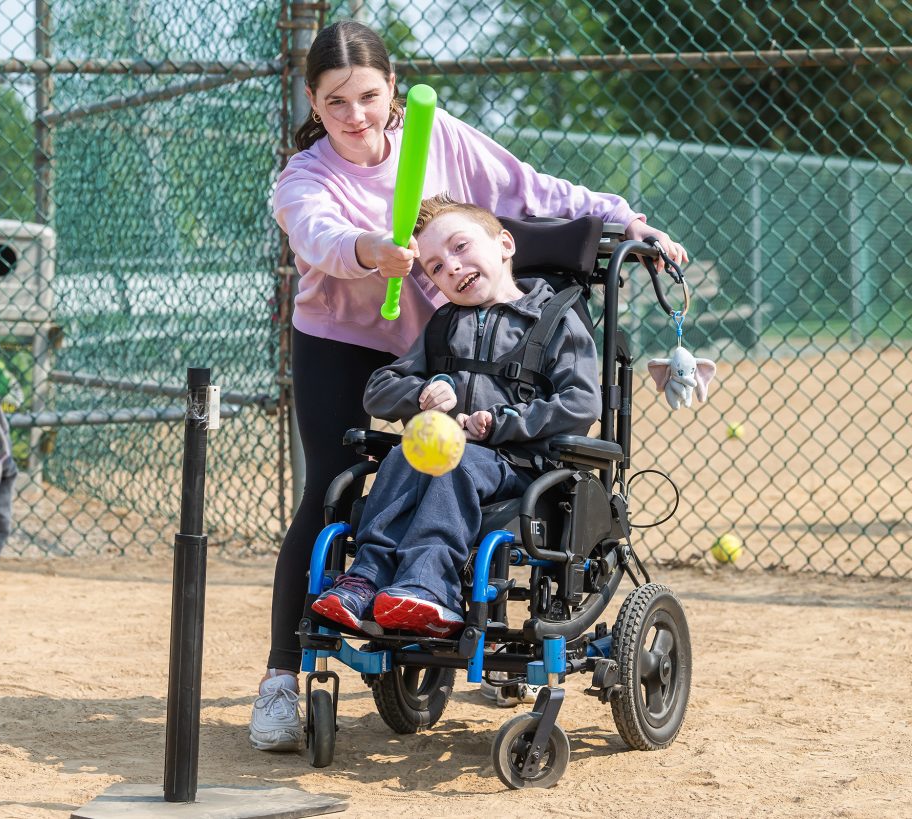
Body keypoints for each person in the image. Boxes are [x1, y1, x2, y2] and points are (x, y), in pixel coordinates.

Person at [250, 18, 688, 752]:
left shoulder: (439, 136)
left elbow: (528, 188)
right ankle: (280, 678)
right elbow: (316, 237)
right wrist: (371, 251)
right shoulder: (307, 176)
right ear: (312, 103)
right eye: (335, 104)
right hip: (346, 341)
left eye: (367, 96)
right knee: (335, 483)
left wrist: (622, 218)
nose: (355, 117)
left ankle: (450, 602)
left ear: (393, 89)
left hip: (449, 339)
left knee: (455, 471)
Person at [309, 192, 600, 638]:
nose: (453, 268)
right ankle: (365, 578)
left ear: (505, 244)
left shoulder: (555, 321)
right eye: (436, 268)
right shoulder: (444, 325)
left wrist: (502, 420)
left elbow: (581, 402)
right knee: (405, 454)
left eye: (460, 248)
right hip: (453, 455)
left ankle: (430, 586)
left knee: (454, 462)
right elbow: (378, 390)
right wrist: (424, 389)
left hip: (523, 467)